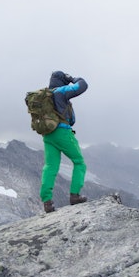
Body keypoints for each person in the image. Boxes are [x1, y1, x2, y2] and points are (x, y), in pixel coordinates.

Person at [40, 70, 88, 213]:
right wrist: (73, 78)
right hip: (62, 132)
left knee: (50, 166)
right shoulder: (61, 91)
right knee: (79, 162)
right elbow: (83, 85)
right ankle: (75, 195)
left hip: (48, 135)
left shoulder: (45, 96)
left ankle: (47, 202)